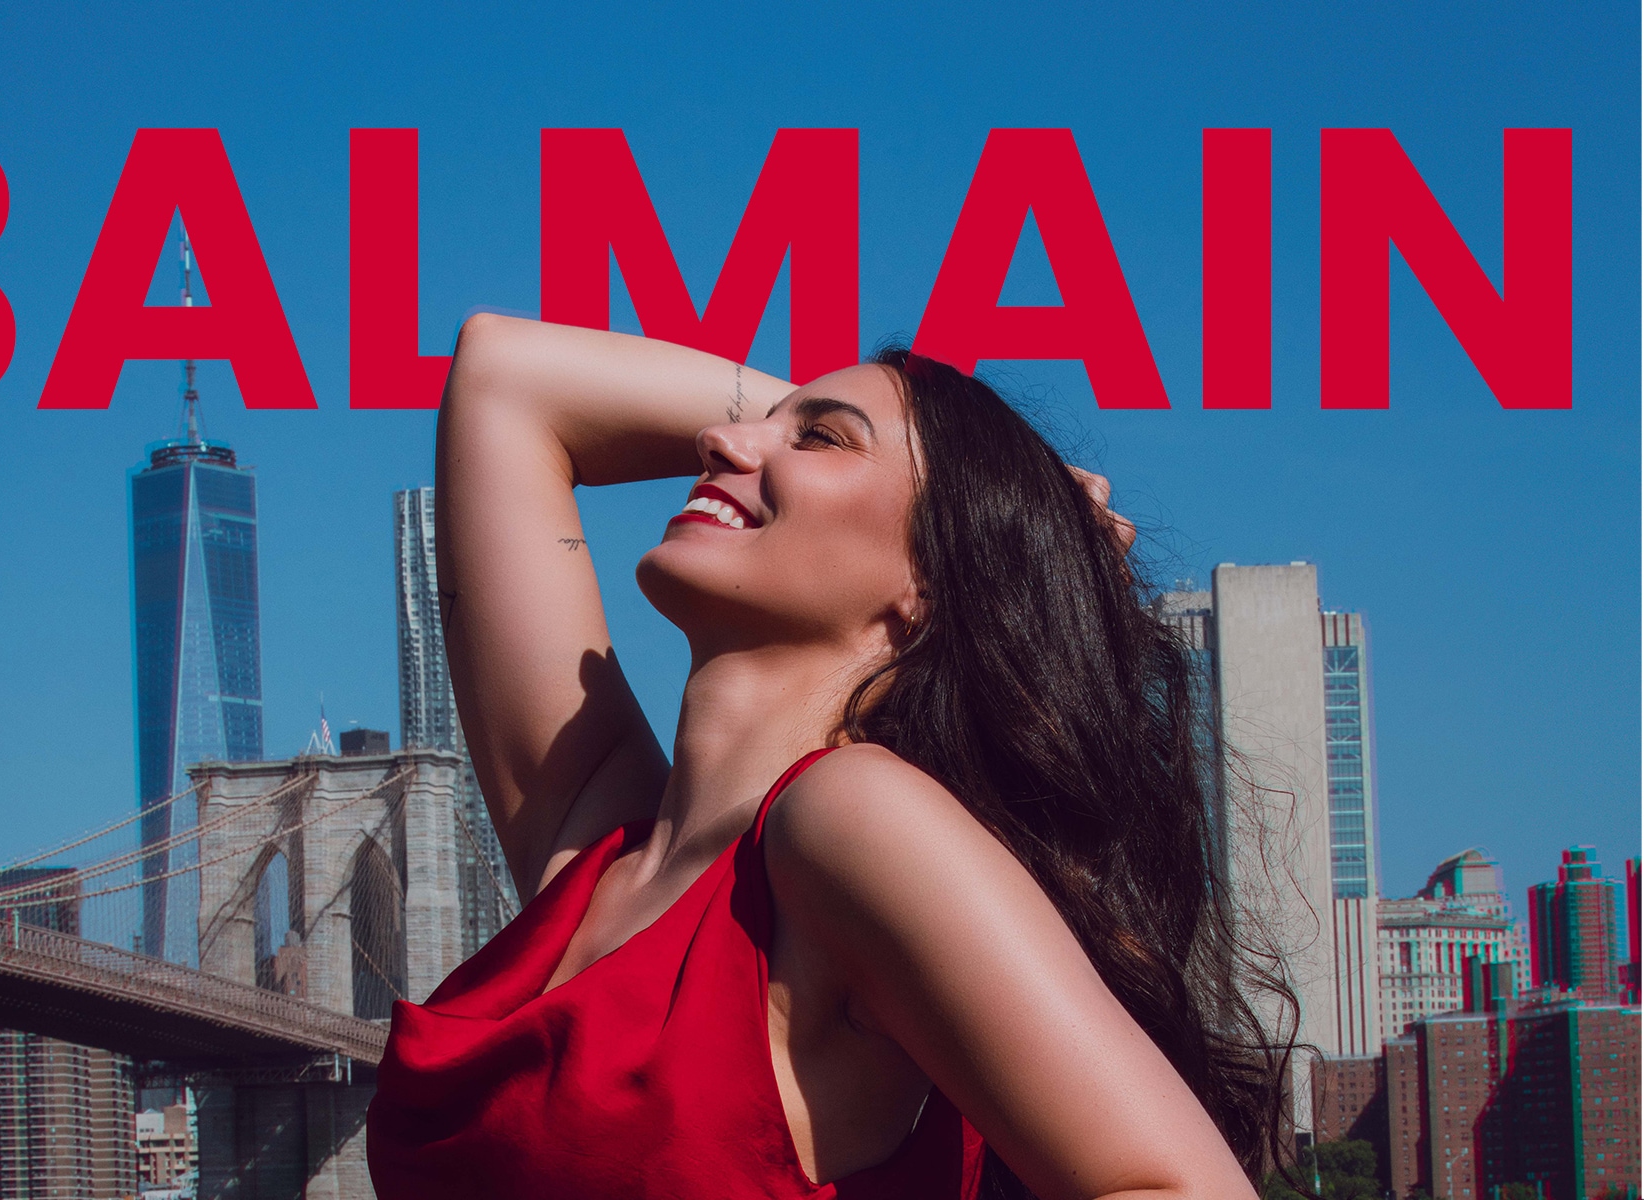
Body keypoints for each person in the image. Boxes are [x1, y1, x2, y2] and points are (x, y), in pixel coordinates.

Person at [364, 316, 1291, 1200]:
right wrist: (988, 474)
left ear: (930, 581)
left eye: (823, 441)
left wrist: (1006, 489)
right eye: (753, 427)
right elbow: (504, 379)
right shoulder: (599, 852)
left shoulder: (849, 819)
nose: (720, 445)